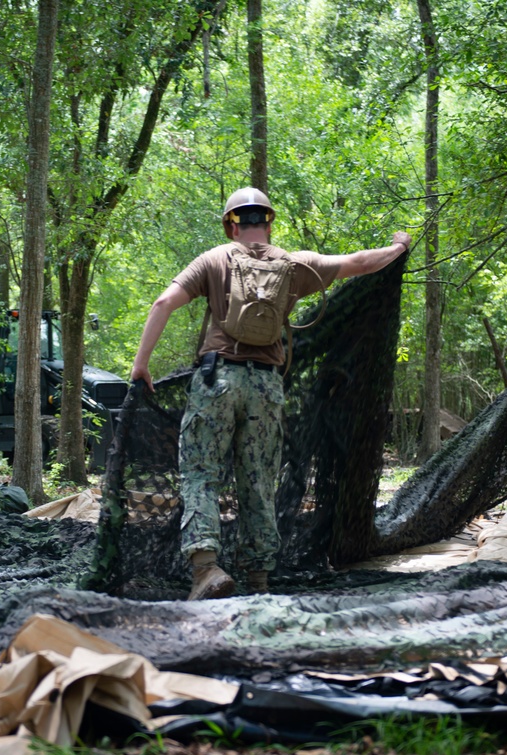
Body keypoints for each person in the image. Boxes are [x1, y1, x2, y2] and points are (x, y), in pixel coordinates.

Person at [130, 187, 411, 600]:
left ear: (231, 224)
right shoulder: (296, 266)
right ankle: (258, 579)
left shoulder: (213, 260)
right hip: (266, 386)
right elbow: (359, 263)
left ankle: (206, 570)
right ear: (269, 222)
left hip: (216, 381)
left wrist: (141, 364)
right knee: (259, 482)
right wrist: (398, 248)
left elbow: (162, 303)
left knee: (201, 476)